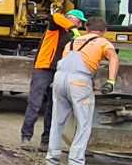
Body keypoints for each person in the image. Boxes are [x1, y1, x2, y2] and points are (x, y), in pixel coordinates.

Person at [46, 15, 120, 165]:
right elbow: (114, 58)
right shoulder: (103, 42)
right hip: (79, 82)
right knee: (83, 124)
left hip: (59, 79)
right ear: (104, 31)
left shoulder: (72, 42)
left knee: (57, 121)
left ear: (86, 29)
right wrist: (111, 81)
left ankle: (52, 160)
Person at [20, 8, 84, 148]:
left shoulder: (73, 36)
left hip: (59, 71)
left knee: (54, 107)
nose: (80, 25)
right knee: (35, 103)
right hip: (43, 68)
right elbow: (55, 16)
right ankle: (26, 137)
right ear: (70, 18)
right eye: (79, 22)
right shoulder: (55, 27)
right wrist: (72, 28)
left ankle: (46, 141)